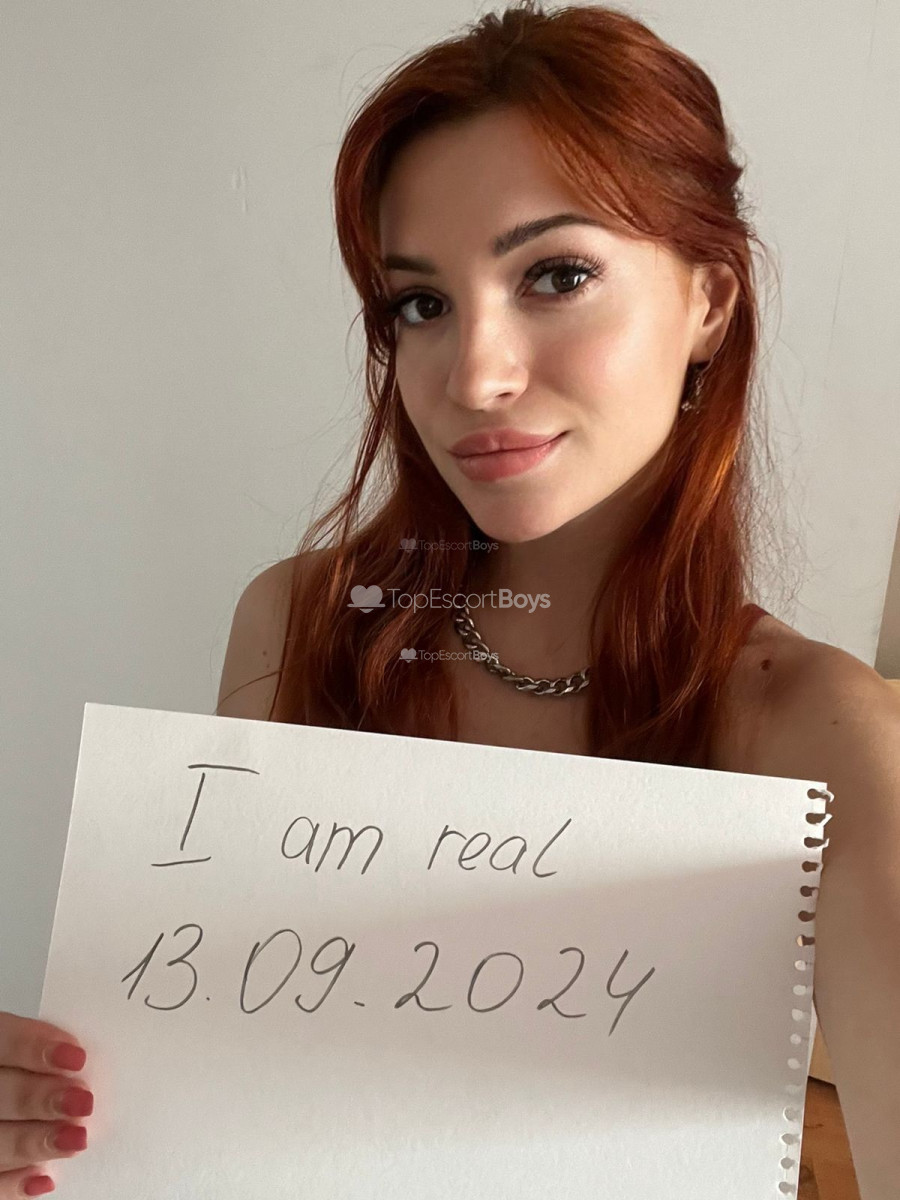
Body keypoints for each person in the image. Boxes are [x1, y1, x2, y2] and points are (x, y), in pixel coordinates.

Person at [4, 3, 899, 1197]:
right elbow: (210, 1115)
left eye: (557, 276)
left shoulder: (820, 739)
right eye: (421, 304)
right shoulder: (303, 627)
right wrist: (59, 1141)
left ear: (710, 302)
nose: (475, 376)